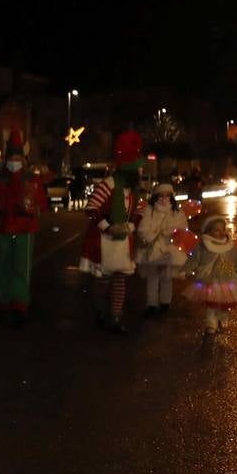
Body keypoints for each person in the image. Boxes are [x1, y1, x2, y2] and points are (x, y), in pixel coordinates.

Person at [0, 130, 47, 325]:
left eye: (18, 158)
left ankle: (20, 305)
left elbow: (41, 204)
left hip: (25, 230)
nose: (14, 161)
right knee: (2, 267)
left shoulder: (32, 181)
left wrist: (34, 204)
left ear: (23, 159)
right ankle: (6, 304)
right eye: (12, 158)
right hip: (1, 229)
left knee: (21, 269)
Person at [79, 131, 146, 333]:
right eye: (138, 167)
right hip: (103, 241)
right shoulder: (108, 185)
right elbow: (91, 209)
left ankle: (115, 317)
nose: (141, 171)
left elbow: (140, 210)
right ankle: (99, 310)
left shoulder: (134, 190)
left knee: (119, 279)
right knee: (103, 279)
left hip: (123, 241)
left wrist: (131, 226)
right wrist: (108, 226)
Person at [183, 215, 237, 334]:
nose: (221, 232)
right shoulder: (203, 245)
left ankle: (222, 316)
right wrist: (186, 270)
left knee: (225, 301)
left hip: (228, 278)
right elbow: (194, 259)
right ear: (208, 232)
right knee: (211, 303)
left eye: (223, 229)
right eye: (216, 230)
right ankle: (211, 322)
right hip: (209, 279)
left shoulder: (230, 245)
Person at [133, 184, 189, 316]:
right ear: (155, 197)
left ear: (171, 196)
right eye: (161, 195)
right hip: (153, 249)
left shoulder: (177, 211)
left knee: (166, 277)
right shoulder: (150, 210)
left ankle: (165, 303)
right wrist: (153, 235)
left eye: (167, 195)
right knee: (152, 278)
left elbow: (183, 229)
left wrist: (171, 233)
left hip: (170, 250)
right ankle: (151, 304)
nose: (164, 198)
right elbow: (142, 229)